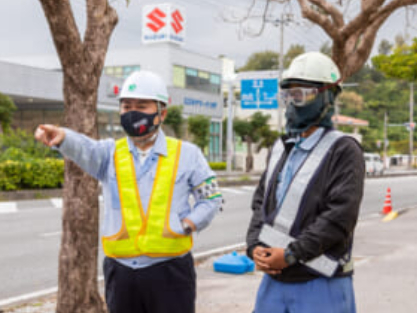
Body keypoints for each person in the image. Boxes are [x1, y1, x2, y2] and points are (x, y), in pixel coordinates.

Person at [35, 70, 222, 313]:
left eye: (141, 106)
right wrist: (63, 138)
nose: (132, 112)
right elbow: (85, 149)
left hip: (171, 272)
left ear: (161, 113)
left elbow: (211, 197)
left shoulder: (188, 154)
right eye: (126, 106)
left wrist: (188, 224)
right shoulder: (109, 154)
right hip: (121, 273)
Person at [246, 52, 365, 313]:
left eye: (301, 94)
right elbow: (260, 204)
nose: (292, 102)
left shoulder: (344, 150)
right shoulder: (280, 147)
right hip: (274, 283)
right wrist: (254, 246)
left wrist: (291, 255)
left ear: (329, 95)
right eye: (288, 95)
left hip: (321, 283)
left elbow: (339, 217)